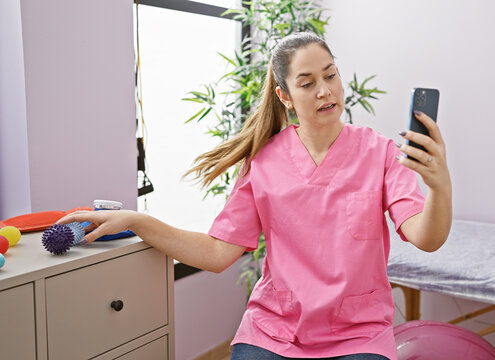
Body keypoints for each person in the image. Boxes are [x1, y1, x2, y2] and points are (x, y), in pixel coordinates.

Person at [57, 32, 452, 360]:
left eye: (330, 76)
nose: (325, 91)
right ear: (285, 97)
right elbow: (217, 254)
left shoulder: (380, 152)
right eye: (308, 83)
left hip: (357, 333)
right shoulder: (264, 161)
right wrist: (137, 220)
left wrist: (439, 185)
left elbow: (426, 237)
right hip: (275, 330)